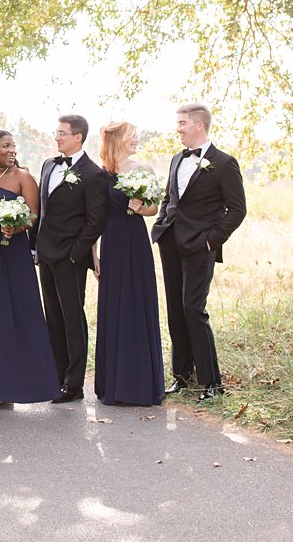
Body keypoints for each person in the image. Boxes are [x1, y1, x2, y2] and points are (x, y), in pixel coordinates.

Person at [151, 103, 247, 402]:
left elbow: (237, 210)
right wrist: (161, 224)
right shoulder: (177, 159)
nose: (177, 128)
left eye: (181, 123)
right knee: (176, 311)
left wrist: (211, 241)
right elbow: (170, 198)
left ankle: (213, 384)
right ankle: (182, 378)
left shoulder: (224, 163)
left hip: (199, 247)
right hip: (171, 243)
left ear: (199, 125)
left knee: (194, 309)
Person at [0, 128, 61, 404]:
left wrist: (15, 228)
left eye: (13, 146)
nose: (12, 150)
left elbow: (33, 215)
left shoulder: (23, 177)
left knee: (16, 314)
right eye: (5, 146)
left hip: (14, 254)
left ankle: (15, 385)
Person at [94, 120, 167, 407]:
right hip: (111, 242)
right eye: (132, 136)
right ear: (116, 140)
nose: (137, 139)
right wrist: (94, 253)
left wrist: (142, 207)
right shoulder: (102, 174)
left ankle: (140, 384)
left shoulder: (143, 168)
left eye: (137, 135)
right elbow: (95, 217)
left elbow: (154, 208)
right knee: (114, 308)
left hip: (135, 242)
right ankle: (114, 384)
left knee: (137, 303)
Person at [36, 113, 108, 403]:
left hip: (70, 258)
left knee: (72, 317)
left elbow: (95, 220)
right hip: (46, 254)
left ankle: (74, 384)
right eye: (56, 132)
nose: (57, 137)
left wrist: (76, 254)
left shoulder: (93, 174)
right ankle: (56, 376)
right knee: (52, 317)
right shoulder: (48, 166)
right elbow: (43, 211)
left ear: (78, 137)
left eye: (62, 133)